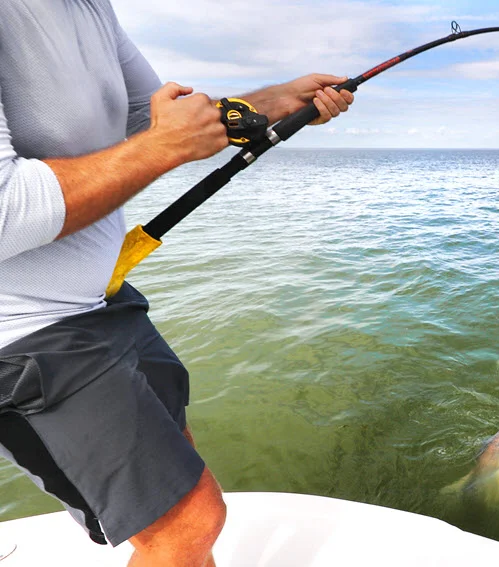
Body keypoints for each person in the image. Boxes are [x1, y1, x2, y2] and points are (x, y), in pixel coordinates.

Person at [0, 1, 354, 565]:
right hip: (25, 333)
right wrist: (164, 148)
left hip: (103, 301)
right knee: (187, 524)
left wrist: (271, 104)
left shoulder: (90, 6)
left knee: (179, 490)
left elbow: (150, 117)